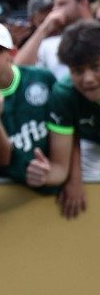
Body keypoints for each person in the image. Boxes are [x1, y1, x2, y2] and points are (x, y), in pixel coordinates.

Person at [0, 21, 58, 189]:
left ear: (12, 53)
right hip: (9, 186)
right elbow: (3, 160)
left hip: (54, 176)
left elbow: (67, 129)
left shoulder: (41, 78)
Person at [31, 20, 100, 219]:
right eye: (78, 71)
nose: (87, 79)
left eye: (96, 67)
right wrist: (72, 178)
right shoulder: (64, 93)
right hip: (88, 140)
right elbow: (68, 146)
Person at [15, 0, 98, 80]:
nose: (54, 10)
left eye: (62, 4)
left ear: (83, 3)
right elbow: (18, 73)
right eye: (55, 5)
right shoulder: (49, 44)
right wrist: (43, 29)